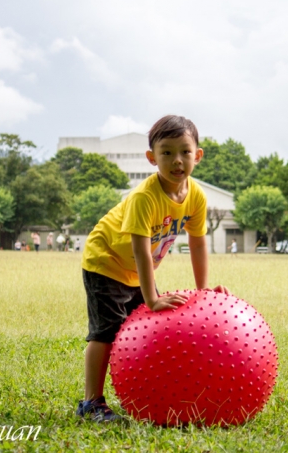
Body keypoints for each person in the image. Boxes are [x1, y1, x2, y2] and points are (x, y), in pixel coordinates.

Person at [76, 115, 229, 423]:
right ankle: (90, 403)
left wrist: (202, 292)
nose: (177, 160)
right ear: (152, 158)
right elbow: (141, 251)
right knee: (106, 333)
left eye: (185, 152)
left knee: (142, 330)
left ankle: (143, 392)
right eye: (167, 152)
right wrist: (152, 298)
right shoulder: (144, 197)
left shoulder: (195, 196)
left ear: (197, 155)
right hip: (106, 261)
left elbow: (198, 244)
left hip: (134, 269)